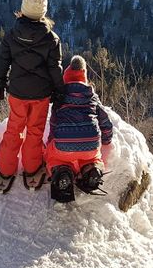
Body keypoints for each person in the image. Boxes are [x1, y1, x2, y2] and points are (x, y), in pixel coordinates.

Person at [0, 0, 64, 193]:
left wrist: (0, 82)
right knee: (35, 131)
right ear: (43, 12)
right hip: (41, 95)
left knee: (14, 129)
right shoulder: (51, 38)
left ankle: (5, 170)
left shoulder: (12, 35)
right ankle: (32, 169)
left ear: (23, 10)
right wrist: (59, 91)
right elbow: (54, 67)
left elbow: (3, 61)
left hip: (17, 92)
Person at [45, 55, 113, 203]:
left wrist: (52, 141)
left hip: (63, 146)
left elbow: (54, 124)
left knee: (54, 156)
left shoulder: (60, 97)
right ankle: (91, 170)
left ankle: (61, 171)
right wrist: (107, 139)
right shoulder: (92, 96)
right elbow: (105, 121)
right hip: (90, 145)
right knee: (93, 157)